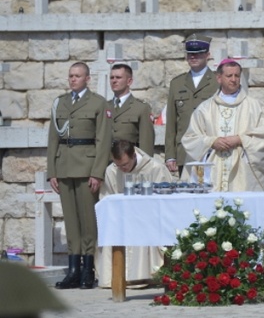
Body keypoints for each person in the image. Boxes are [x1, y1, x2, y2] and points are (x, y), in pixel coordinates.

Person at [47, 62, 111, 289]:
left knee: (88, 220)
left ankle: (87, 269)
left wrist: (97, 172)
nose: (72, 79)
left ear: (87, 78)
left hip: (86, 167)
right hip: (64, 167)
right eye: (70, 76)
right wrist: (52, 171)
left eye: (77, 76)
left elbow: (103, 140)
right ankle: (73, 269)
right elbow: (53, 138)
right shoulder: (60, 103)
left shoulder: (97, 103)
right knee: (71, 221)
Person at [181, 59, 264, 191]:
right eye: (229, 76)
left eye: (237, 76)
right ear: (219, 78)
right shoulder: (205, 108)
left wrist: (240, 139)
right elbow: (190, 138)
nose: (233, 79)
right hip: (213, 170)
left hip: (243, 173)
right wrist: (212, 141)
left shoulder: (256, 107)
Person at [95, 140, 173, 288]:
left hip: (148, 217)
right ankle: (114, 276)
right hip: (121, 219)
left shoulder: (154, 168)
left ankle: (146, 276)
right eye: (118, 165)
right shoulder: (112, 170)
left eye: (125, 165)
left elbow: (164, 199)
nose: (122, 169)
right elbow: (105, 199)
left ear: (133, 156)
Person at [165, 33, 219, 175]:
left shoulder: (217, 82)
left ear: (208, 55)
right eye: (190, 54)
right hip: (185, 151)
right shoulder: (177, 84)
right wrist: (170, 154)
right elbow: (171, 122)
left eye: (198, 54)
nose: (193, 57)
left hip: (211, 150)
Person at [108, 63, 155, 156]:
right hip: (107, 161)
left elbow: (146, 143)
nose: (114, 81)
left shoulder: (141, 108)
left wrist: (144, 166)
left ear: (129, 81)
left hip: (129, 161)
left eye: (118, 77)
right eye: (112, 77)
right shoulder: (104, 107)